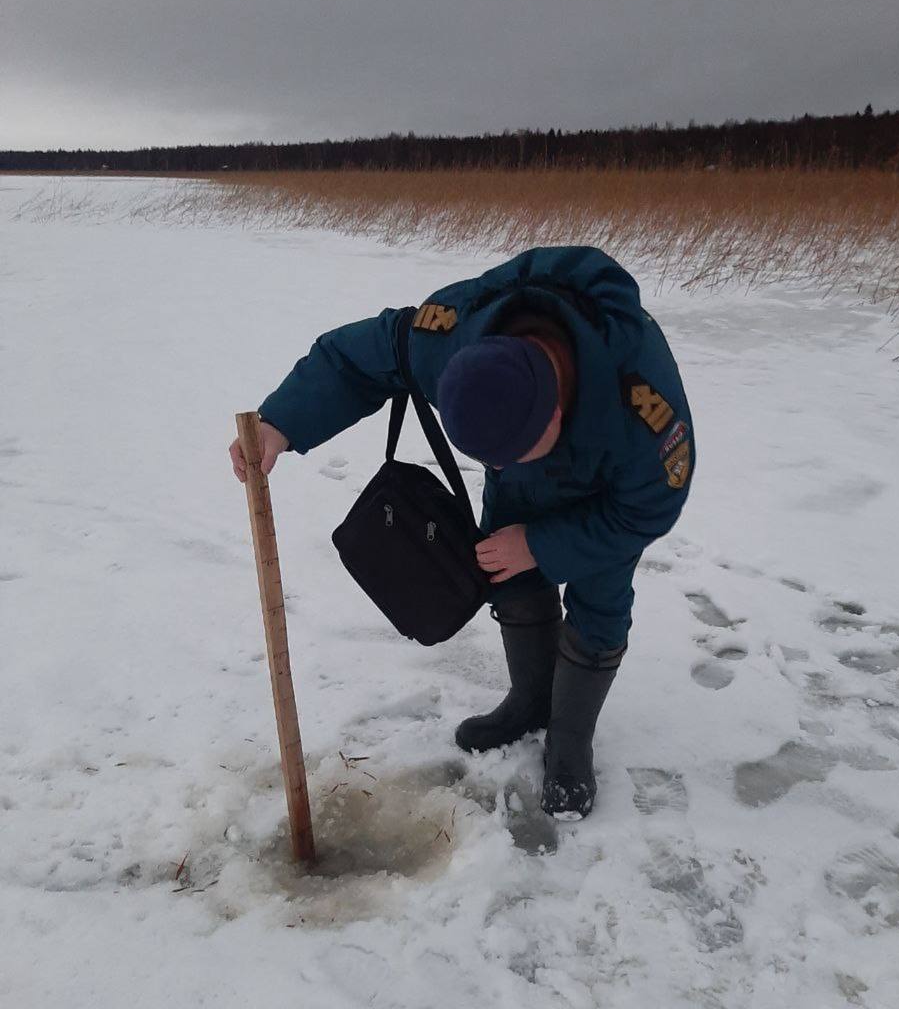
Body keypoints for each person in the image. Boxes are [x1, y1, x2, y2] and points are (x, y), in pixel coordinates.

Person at [229, 245, 695, 819]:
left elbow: (647, 512)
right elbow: (359, 356)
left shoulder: (641, 399)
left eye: (512, 453)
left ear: (554, 415)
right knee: (503, 566)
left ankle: (570, 741)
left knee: (599, 599)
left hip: (603, 500)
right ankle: (529, 702)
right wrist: (281, 423)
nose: (498, 465)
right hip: (524, 492)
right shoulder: (453, 335)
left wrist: (542, 544)